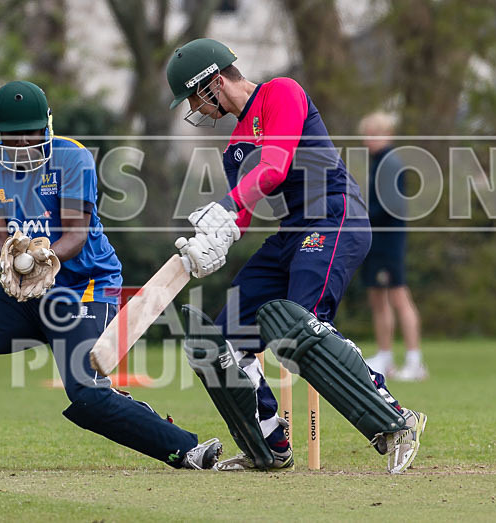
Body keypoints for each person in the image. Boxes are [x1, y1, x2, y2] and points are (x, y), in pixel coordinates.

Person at [0, 80, 222, 472]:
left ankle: (186, 449)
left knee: (87, 395)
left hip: (84, 287)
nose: (22, 143)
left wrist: (44, 257)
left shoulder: (72, 158)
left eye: (30, 133)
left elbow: (75, 233)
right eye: (13, 135)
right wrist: (11, 256)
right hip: (25, 293)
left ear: (47, 127)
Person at [166, 39, 426, 473]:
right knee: (223, 339)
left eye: (193, 97)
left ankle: (395, 421)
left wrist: (227, 206)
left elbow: (275, 166)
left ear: (213, 83)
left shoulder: (281, 93)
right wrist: (210, 242)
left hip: (334, 216)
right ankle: (267, 443)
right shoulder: (234, 148)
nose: (194, 107)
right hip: (292, 232)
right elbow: (242, 215)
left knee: (300, 328)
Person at [358, 112, 427, 381]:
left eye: (374, 134)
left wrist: (359, 215)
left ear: (387, 135)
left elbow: (391, 206)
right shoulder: (377, 163)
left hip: (388, 242)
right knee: (378, 298)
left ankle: (415, 361)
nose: (369, 139)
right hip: (375, 240)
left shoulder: (390, 163)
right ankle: (385, 357)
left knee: (399, 296)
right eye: (366, 134)